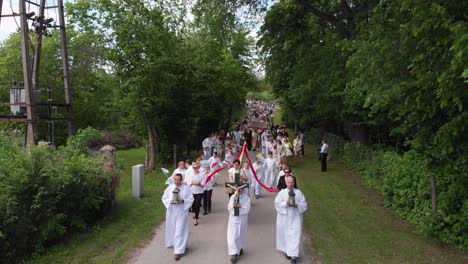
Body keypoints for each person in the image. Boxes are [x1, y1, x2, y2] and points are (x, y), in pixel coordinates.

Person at [275, 177, 307, 264]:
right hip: (285, 218)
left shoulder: (299, 193)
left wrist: (296, 205)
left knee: (295, 235)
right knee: (286, 235)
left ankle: (293, 256)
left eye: (292, 182)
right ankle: (288, 251)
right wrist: (286, 204)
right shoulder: (282, 193)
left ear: (294, 182)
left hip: (295, 218)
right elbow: (277, 204)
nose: (290, 184)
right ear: (286, 183)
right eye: (289, 182)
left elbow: (304, 205)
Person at [162, 174, 194, 261]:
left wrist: (183, 201)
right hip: (172, 212)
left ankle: (178, 251)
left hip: (182, 212)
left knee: (180, 230)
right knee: (172, 229)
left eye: (178, 180)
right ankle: (174, 243)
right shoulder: (170, 188)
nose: (177, 181)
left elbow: (191, 199)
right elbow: (164, 198)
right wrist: (170, 201)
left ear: (181, 180)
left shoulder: (186, 188)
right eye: (175, 180)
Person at [227, 187, 251, 264]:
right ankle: (233, 253)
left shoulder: (246, 198)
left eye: (241, 189)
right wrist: (233, 206)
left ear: (243, 189)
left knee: (240, 234)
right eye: (238, 189)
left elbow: (247, 208)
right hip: (234, 219)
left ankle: (239, 247)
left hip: (242, 219)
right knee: (233, 235)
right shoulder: (233, 197)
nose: (240, 190)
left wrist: (241, 206)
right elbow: (229, 207)